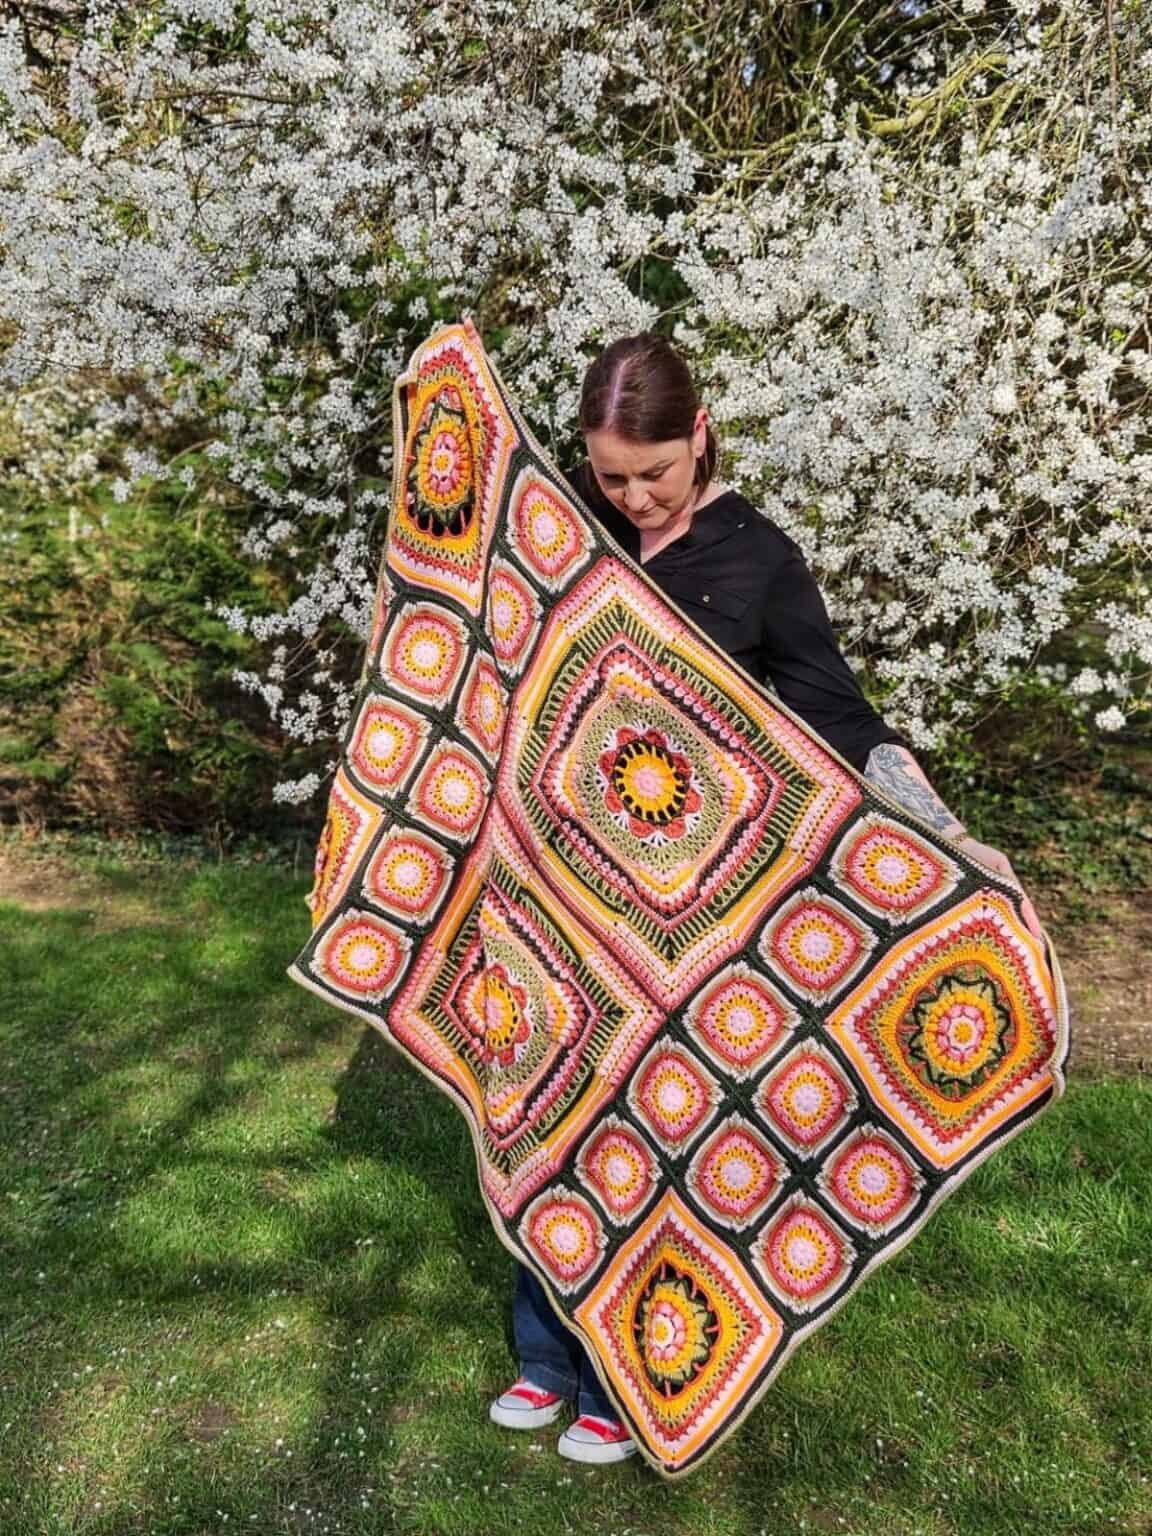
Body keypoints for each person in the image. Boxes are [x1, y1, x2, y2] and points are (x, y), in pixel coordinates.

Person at [488, 331, 1042, 1465]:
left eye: (655, 472)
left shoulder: (758, 561)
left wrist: (947, 835)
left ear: (699, 436)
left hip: (696, 907)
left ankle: (622, 1377)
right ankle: (544, 1355)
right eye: (610, 475)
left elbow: (834, 714)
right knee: (553, 1116)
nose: (634, 497)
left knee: (657, 1130)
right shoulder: (574, 541)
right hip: (568, 899)